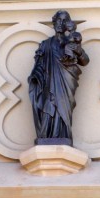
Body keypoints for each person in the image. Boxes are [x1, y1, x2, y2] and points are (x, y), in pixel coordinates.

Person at [28, 10, 89, 143]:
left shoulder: (72, 41)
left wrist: (79, 51)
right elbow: (38, 65)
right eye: (58, 20)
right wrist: (36, 76)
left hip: (66, 82)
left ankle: (63, 135)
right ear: (54, 23)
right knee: (48, 106)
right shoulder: (45, 44)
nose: (60, 23)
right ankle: (46, 136)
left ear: (68, 24)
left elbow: (85, 61)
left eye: (64, 21)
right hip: (48, 84)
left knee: (64, 106)